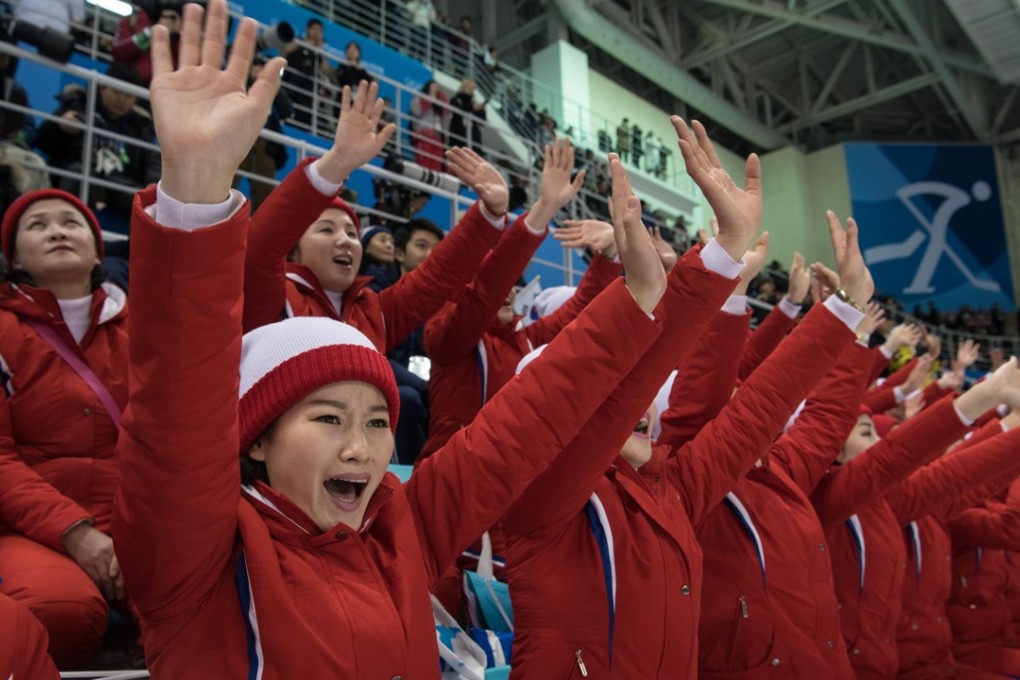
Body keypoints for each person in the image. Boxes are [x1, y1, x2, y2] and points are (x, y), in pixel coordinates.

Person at [111, 6, 670, 676]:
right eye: (327, 417)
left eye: (378, 422)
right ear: (256, 436)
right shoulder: (195, 558)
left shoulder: (404, 526)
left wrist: (638, 296)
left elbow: (530, 415)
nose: (361, 445)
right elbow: (178, 401)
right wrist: (196, 194)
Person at [0, 189, 128, 668]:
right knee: (59, 612)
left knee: (203, 595)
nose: (56, 230)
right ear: (14, 257)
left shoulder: (142, 328)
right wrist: (75, 532)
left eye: (70, 222)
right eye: (37, 225)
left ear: (98, 250)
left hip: (133, 522)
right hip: (32, 529)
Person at [35, 62, 160, 229]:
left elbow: (152, 159)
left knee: (149, 203)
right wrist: (61, 129)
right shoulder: (78, 106)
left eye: (129, 96)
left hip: (122, 183)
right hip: (83, 173)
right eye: (116, 91)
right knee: (75, 174)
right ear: (102, 88)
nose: (121, 99)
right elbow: (43, 143)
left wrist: (152, 181)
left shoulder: (141, 125)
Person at [231, 55, 293, 211]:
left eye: (262, 68)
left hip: (266, 143)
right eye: (256, 67)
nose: (259, 71)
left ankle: (259, 225)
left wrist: (273, 85)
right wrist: (251, 80)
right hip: (240, 136)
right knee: (229, 180)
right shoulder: (240, 84)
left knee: (265, 190)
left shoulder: (273, 89)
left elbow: (287, 111)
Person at [112, 0, 182, 84]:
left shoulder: (187, 25)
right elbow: (118, 52)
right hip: (131, 83)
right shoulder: (133, 19)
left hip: (168, 86)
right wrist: (151, 33)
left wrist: (177, 35)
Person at [409, 80, 448, 171]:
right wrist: (428, 100)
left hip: (437, 136)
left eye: (437, 86)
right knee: (424, 163)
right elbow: (416, 112)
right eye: (434, 85)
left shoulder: (440, 102)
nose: (435, 88)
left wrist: (441, 100)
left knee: (436, 163)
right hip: (424, 134)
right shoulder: (419, 98)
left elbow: (446, 117)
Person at [448, 78, 485, 152]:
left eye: (473, 88)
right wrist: (472, 107)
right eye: (470, 87)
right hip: (459, 136)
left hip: (473, 138)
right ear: (464, 87)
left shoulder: (473, 103)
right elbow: (456, 113)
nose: (472, 90)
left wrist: (482, 110)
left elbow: (482, 122)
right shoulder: (456, 100)